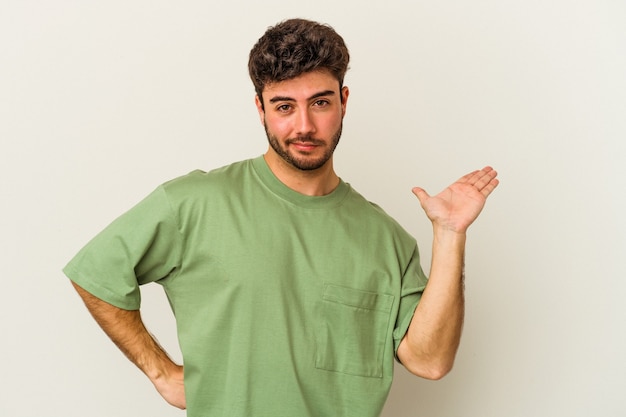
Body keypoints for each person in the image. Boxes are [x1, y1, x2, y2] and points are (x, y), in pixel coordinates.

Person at [64, 18, 499, 417]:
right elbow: (96, 273)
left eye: (320, 102)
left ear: (344, 103)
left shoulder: (386, 239)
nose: (304, 126)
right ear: (261, 109)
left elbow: (430, 361)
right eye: (284, 106)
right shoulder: (194, 204)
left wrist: (449, 234)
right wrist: (160, 372)